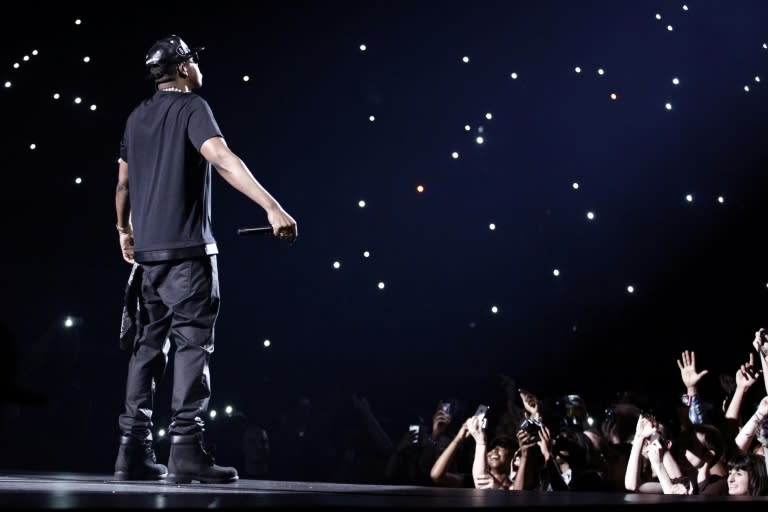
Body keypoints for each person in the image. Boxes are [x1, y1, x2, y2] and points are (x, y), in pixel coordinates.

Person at [112, 34, 298, 484]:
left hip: (148, 260)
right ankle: (186, 451)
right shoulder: (193, 106)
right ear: (181, 69)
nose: (198, 67)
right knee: (193, 346)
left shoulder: (137, 116)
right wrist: (271, 206)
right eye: (193, 61)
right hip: (187, 257)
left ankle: (131, 452)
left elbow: (123, 184)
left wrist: (124, 230)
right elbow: (221, 158)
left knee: (146, 351)